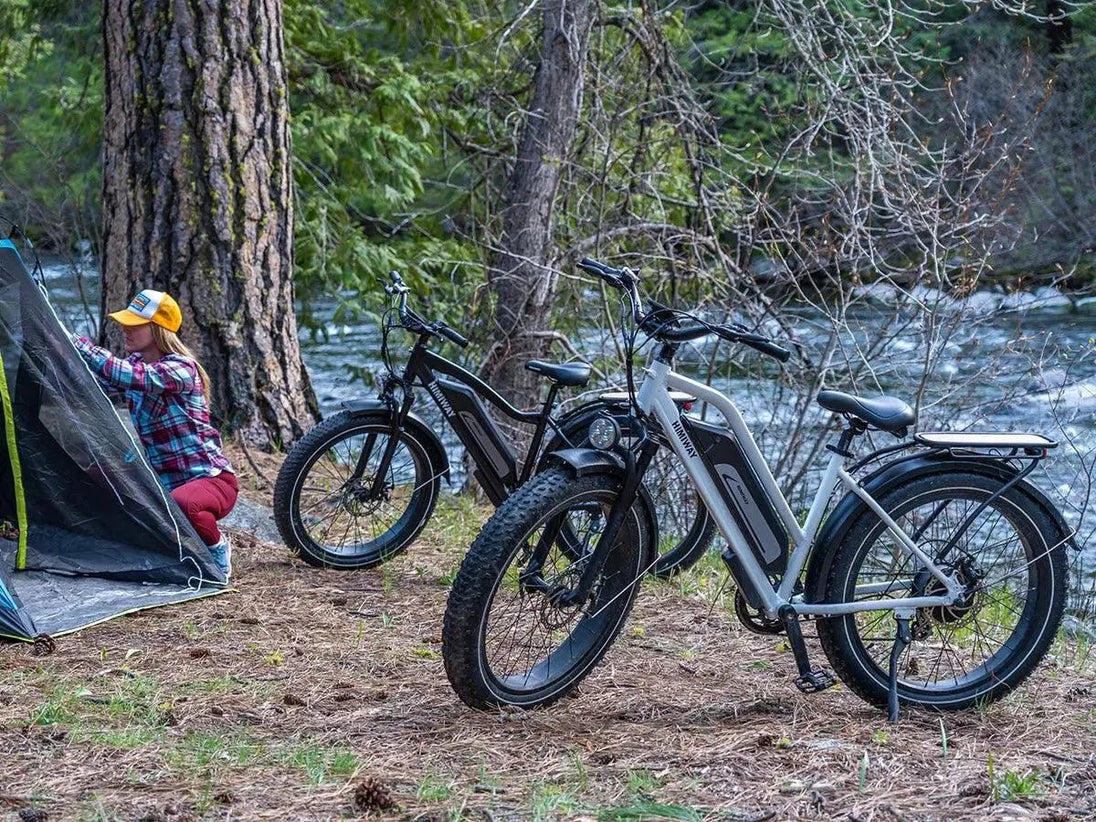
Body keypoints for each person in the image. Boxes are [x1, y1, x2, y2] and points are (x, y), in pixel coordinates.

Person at [72, 289, 237, 580]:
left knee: (185, 503)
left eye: (135, 323)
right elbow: (98, 387)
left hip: (212, 483)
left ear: (158, 329)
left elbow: (127, 376)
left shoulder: (180, 370)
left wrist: (78, 344)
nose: (125, 329)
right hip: (163, 485)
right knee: (95, 474)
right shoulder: (136, 365)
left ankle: (217, 550)